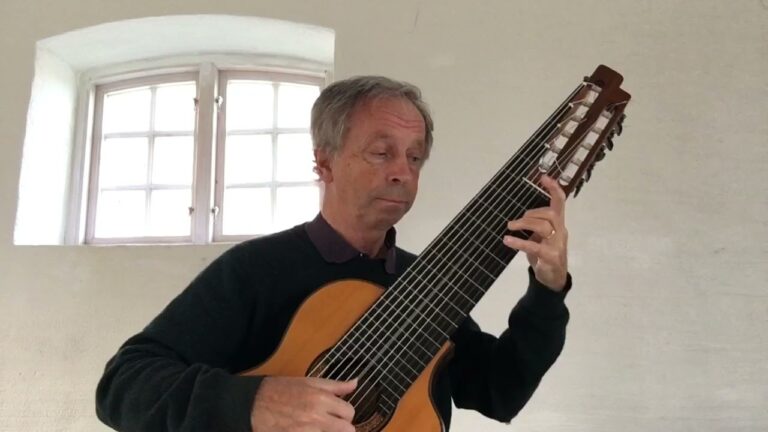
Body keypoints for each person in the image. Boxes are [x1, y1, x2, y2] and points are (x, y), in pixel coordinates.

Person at [95, 76, 571, 432]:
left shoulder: (426, 283)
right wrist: (254, 401)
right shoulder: (256, 270)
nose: (403, 172)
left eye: (415, 156)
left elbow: (499, 391)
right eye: (382, 153)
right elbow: (123, 386)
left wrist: (547, 292)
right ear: (324, 161)